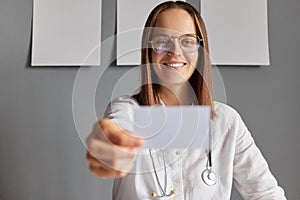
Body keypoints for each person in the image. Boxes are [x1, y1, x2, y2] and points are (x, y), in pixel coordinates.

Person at [86, 1, 286, 199]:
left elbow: (267, 193)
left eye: (187, 41)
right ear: (148, 50)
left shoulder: (226, 121)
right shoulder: (127, 109)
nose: (175, 52)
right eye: (162, 41)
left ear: (201, 50)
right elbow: (115, 129)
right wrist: (110, 144)